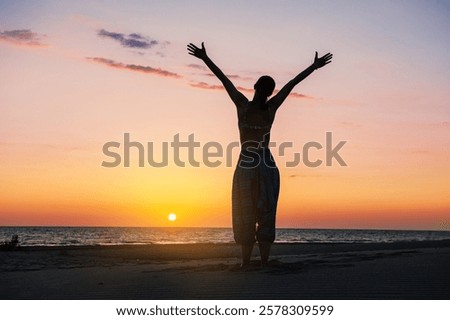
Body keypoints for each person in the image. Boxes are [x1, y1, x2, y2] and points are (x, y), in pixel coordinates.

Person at [187, 42, 332, 267]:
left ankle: (255, 261)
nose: (267, 92)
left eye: (268, 89)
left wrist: (313, 68)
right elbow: (227, 81)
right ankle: (254, 261)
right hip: (254, 163)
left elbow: (288, 84)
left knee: (256, 211)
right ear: (260, 88)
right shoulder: (249, 106)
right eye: (267, 89)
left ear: (263, 89)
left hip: (258, 163)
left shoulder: (259, 107)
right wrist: (205, 59)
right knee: (252, 210)